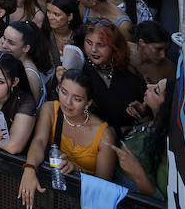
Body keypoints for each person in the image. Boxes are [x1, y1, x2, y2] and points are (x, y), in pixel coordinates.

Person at [18, 70, 118, 207]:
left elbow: (103, 186)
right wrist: (30, 169)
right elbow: (39, 141)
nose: (67, 102)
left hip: (85, 200)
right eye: (64, 92)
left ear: (88, 103)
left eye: (77, 99)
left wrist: (77, 171)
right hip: (53, 195)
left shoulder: (104, 134)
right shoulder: (50, 110)